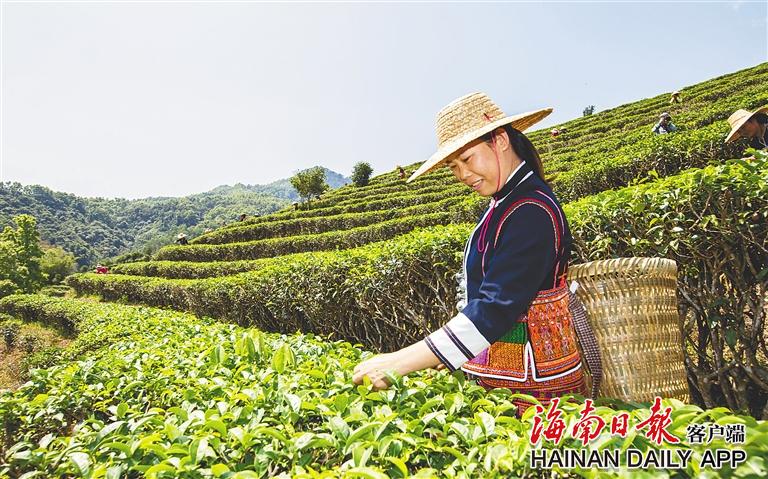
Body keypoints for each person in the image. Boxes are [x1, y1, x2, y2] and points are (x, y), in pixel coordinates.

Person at [353, 92, 590, 415]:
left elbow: (496, 307)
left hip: (535, 389)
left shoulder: (530, 210)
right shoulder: (506, 203)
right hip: (505, 375)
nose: (463, 175)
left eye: (468, 159)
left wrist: (398, 362)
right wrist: (452, 352)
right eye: (453, 167)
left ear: (500, 140)